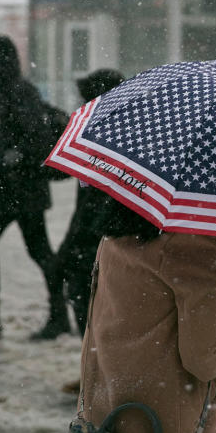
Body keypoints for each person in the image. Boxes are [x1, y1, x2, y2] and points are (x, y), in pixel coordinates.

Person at [73, 194, 216, 433]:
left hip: (107, 412)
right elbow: (205, 358)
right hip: (168, 425)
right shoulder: (197, 244)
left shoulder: (126, 217)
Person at [0, 35, 70, 340]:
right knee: (24, 250)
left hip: (22, 189)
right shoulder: (1, 90)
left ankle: (53, 317)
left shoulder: (19, 92)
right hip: (10, 189)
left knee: (34, 251)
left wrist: (13, 156)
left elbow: (37, 138)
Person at [57, 68, 125, 338]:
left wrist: (75, 241)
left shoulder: (104, 138)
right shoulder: (110, 132)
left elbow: (91, 201)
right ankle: (96, 361)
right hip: (101, 234)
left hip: (98, 235)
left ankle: (96, 362)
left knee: (86, 295)